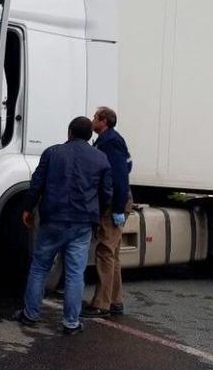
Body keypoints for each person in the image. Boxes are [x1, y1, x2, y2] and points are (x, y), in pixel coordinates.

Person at [12, 116, 112, 335]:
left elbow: (37, 183)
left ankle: (30, 314)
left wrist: (28, 208)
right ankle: (71, 323)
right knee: (75, 272)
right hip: (83, 222)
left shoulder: (52, 153)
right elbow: (106, 194)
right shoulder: (101, 158)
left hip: (53, 219)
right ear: (90, 136)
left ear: (69, 133)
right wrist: (97, 213)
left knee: (39, 267)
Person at [82, 106, 133, 318]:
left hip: (114, 203)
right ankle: (115, 301)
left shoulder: (110, 141)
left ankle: (101, 304)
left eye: (95, 117)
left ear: (104, 121)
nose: (92, 120)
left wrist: (118, 208)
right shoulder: (109, 140)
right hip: (115, 201)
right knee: (112, 253)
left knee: (105, 251)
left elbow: (121, 176)